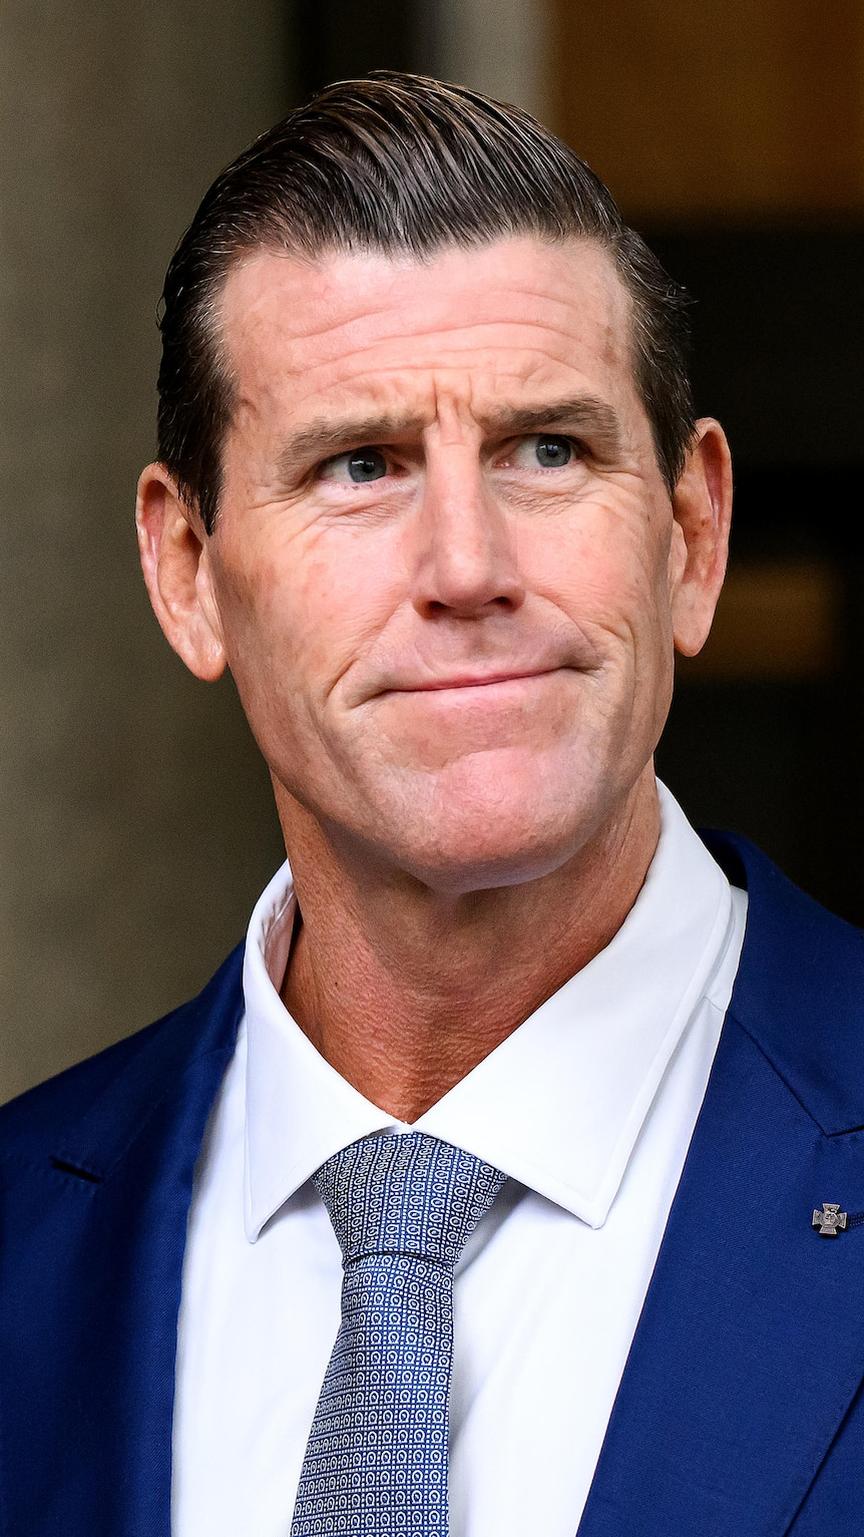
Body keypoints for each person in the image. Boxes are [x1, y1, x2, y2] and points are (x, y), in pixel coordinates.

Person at [2, 70, 863, 1537]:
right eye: (360, 465)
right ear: (188, 573)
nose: (467, 566)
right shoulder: (24, 1238)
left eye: (549, 450)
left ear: (691, 534)